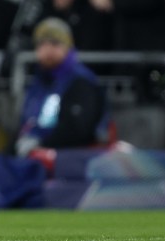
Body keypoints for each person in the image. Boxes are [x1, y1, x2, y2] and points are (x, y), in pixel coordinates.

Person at [15, 18, 110, 157]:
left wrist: (40, 145)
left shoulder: (80, 81)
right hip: (34, 154)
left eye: (55, 43)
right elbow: (26, 122)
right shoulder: (38, 82)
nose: (48, 50)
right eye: (42, 44)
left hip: (70, 160)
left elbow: (78, 131)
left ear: (68, 47)